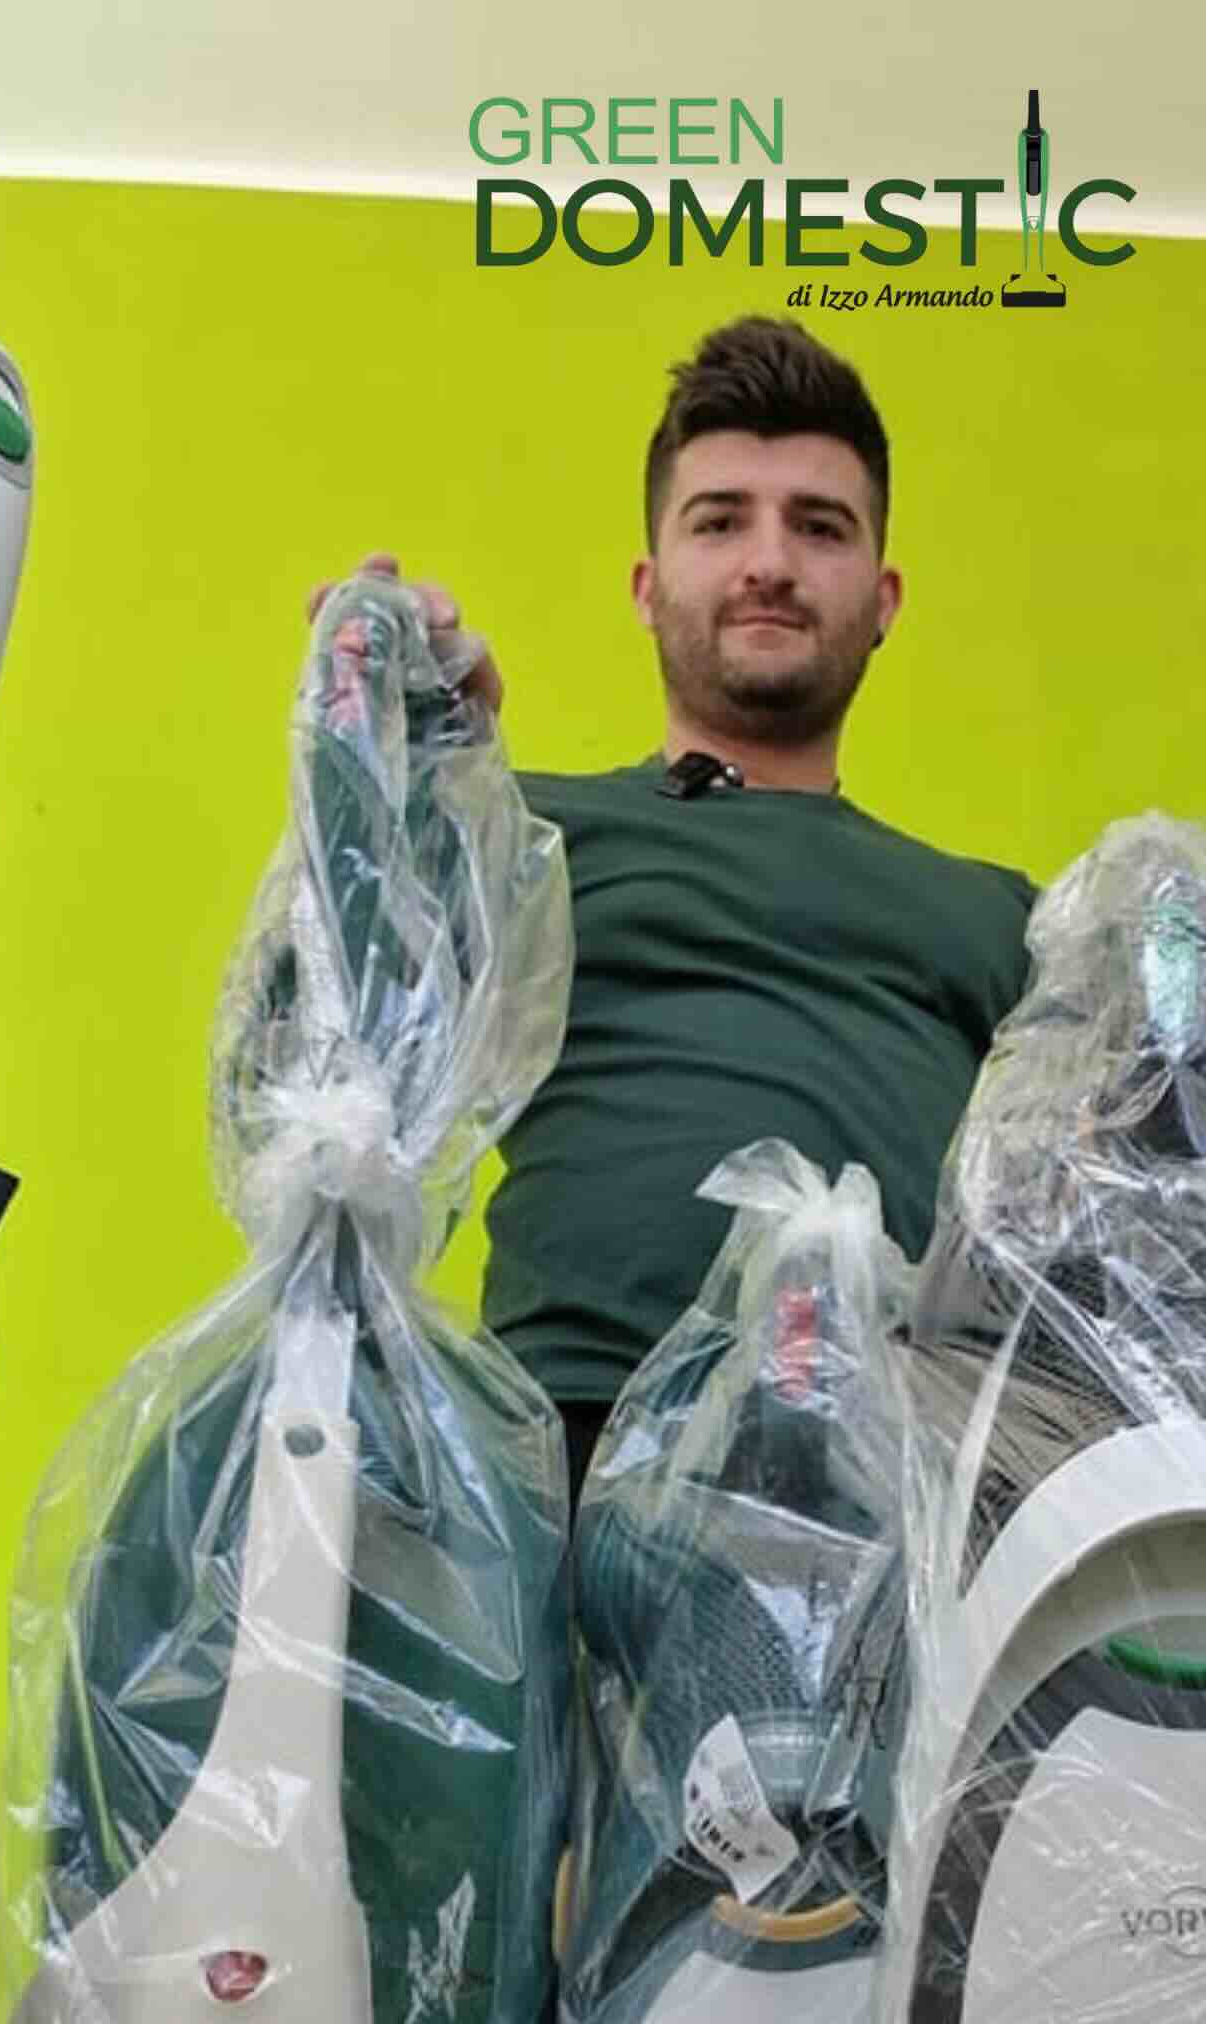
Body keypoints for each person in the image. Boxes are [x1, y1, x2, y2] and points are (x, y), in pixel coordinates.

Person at [311, 317, 1035, 1488]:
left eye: (819, 526)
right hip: (565, 1463)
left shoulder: (997, 916)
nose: (769, 561)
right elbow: (344, 1042)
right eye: (719, 521)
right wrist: (388, 767)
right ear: (648, 588)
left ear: (884, 596)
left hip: (898, 1479)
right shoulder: (529, 834)